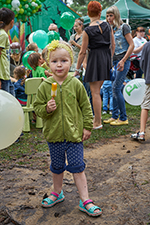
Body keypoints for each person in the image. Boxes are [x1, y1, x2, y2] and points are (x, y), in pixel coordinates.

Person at [33, 40, 102, 217]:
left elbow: (86, 107)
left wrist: (87, 127)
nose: (59, 65)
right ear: (48, 63)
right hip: (54, 135)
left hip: (74, 136)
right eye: (55, 61)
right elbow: (37, 109)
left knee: (78, 167)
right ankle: (57, 193)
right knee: (57, 166)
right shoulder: (44, 86)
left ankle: (85, 199)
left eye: (64, 60)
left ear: (71, 62)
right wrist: (46, 109)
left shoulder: (76, 84)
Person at [74, 1, 115, 130]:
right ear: (100, 12)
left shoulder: (87, 30)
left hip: (95, 59)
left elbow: (82, 52)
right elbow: (112, 45)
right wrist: (110, 59)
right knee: (98, 90)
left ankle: (97, 122)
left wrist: (77, 68)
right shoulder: (108, 26)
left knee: (95, 92)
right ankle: (97, 119)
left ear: (88, 13)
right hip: (105, 58)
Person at [104, 5, 134, 126]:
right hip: (114, 62)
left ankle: (124, 118)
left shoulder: (124, 27)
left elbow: (131, 45)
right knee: (114, 88)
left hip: (123, 61)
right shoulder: (111, 29)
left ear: (116, 15)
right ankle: (114, 116)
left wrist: (123, 60)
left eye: (111, 15)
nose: (108, 18)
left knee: (116, 88)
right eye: (107, 16)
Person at [131, 41, 150, 141]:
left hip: (149, 80)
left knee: (145, 105)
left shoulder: (147, 45)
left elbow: (142, 63)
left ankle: (141, 132)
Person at [0, 7, 15, 93]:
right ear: (12, 22)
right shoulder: (2, 35)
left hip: (6, 76)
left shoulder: (3, 34)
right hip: (2, 78)